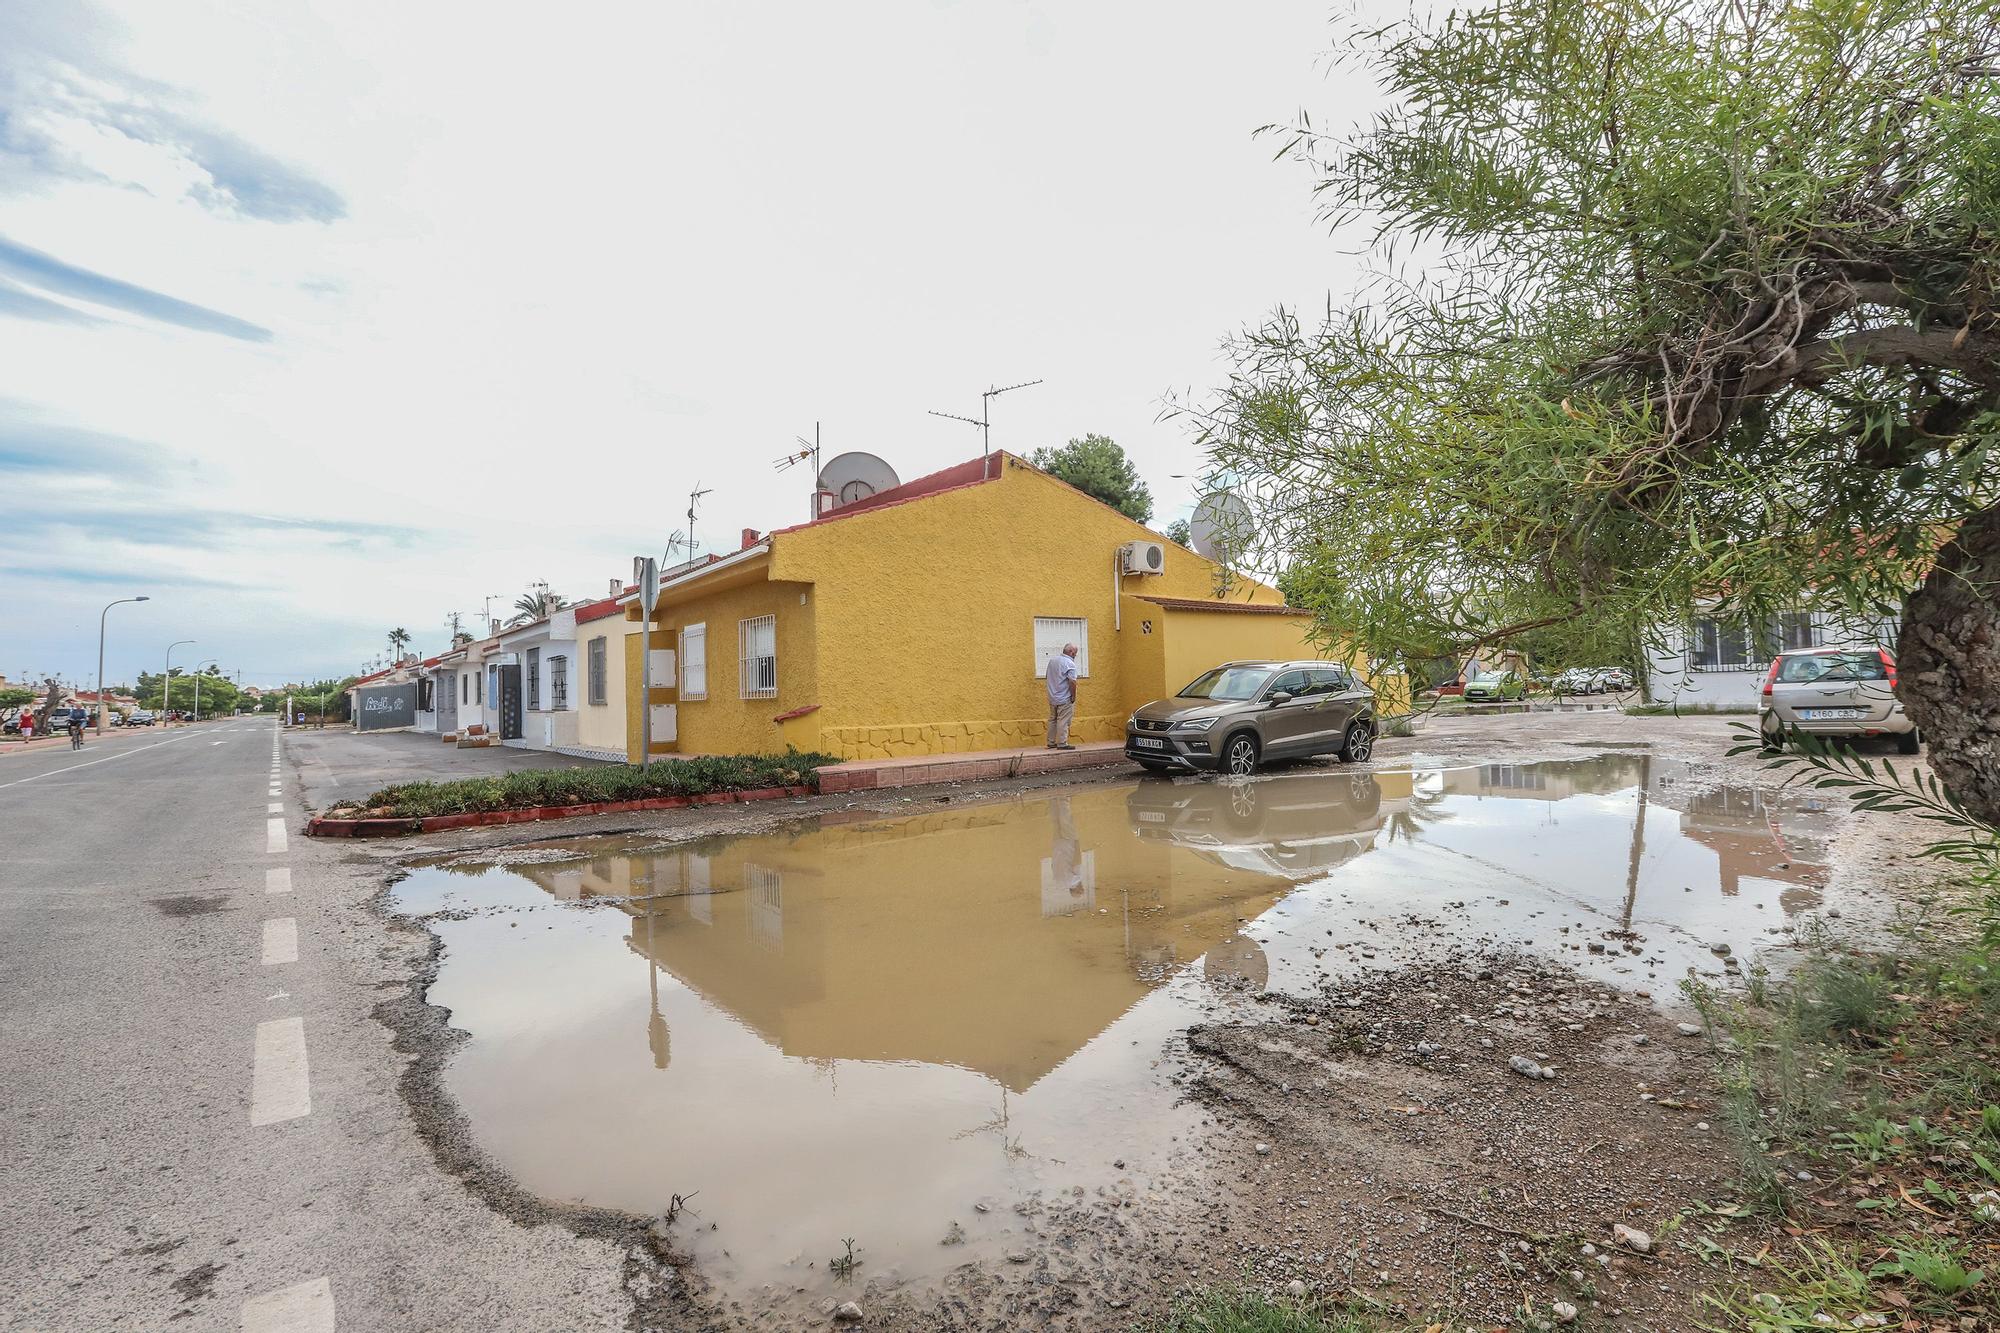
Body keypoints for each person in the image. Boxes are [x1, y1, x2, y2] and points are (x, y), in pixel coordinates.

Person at [1044, 641, 1079, 750]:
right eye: (1075, 653)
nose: (1076, 655)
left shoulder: (1052, 661)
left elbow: (1048, 676)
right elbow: (1072, 682)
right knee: (1063, 721)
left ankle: (1051, 742)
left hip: (1052, 696)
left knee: (1053, 719)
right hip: (1064, 697)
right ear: (1071, 652)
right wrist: (1073, 696)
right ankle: (1062, 743)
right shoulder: (1070, 663)